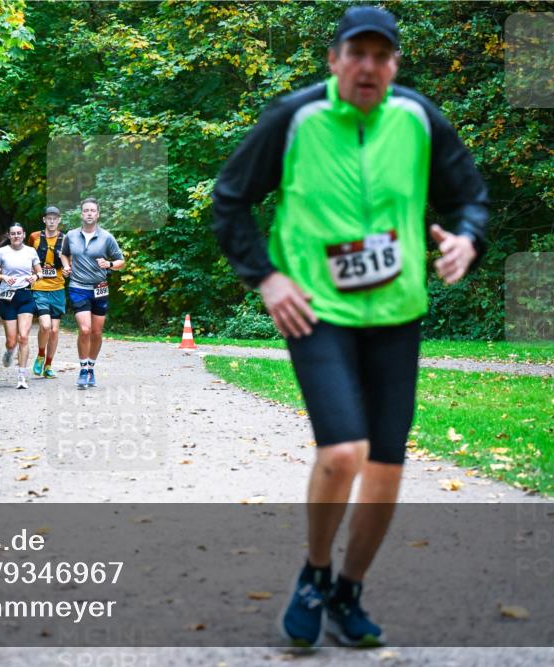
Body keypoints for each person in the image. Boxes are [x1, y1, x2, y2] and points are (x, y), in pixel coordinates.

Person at [211, 5, 488, 649]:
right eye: (356, 54)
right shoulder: (295, 117)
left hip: (396, 312)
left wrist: (467, 240)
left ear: (394, 65)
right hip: (316, 309)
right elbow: (230, 197)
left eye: (380, 56)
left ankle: (348, 592)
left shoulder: (417, 119)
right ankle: (315, 575)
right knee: (343, 452)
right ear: (334, 60)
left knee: (386, 471)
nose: (368, 67)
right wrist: (266, 277)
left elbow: (470, 197)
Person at [59, 197, 125, 389]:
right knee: (85, 329)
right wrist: (66, 266)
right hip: (78, 287)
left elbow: (121, 261)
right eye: (86, 210)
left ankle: (91, 368)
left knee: (96, 332)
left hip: (99, 288)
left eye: (92, 210)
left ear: (98, 214)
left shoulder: (107, 237)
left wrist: (109, 264)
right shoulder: (71, 235)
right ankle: (82, 369)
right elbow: (64, 254)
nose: (89, 213)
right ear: (81, 214)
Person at [0, 223, 43, 389]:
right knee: (12, 342)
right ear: (9, 236)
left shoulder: (30, 251)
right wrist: (3, 277)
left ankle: (22, 377)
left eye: (19, 233)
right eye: (13, 234)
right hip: (7, 298)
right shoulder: (1, 252)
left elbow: (39, 272)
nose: (16, 236)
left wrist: (36, 277)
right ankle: (10, 351)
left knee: (23, 337)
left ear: (24, 235)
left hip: (25, 296)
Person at [27, 206, 66, 379]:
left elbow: (70, 260)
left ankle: (48, 365)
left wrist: (68, 269)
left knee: (55, 331)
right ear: (44, 220)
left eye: (54, 218)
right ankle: (40, 355)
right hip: (40, 287)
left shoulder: (65, 239)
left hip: (58, 288)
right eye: (49, 218)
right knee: (45, 325)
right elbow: (28, 256)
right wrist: (30, 272)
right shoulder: (34, 236)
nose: (52, 221)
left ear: (59, 220)